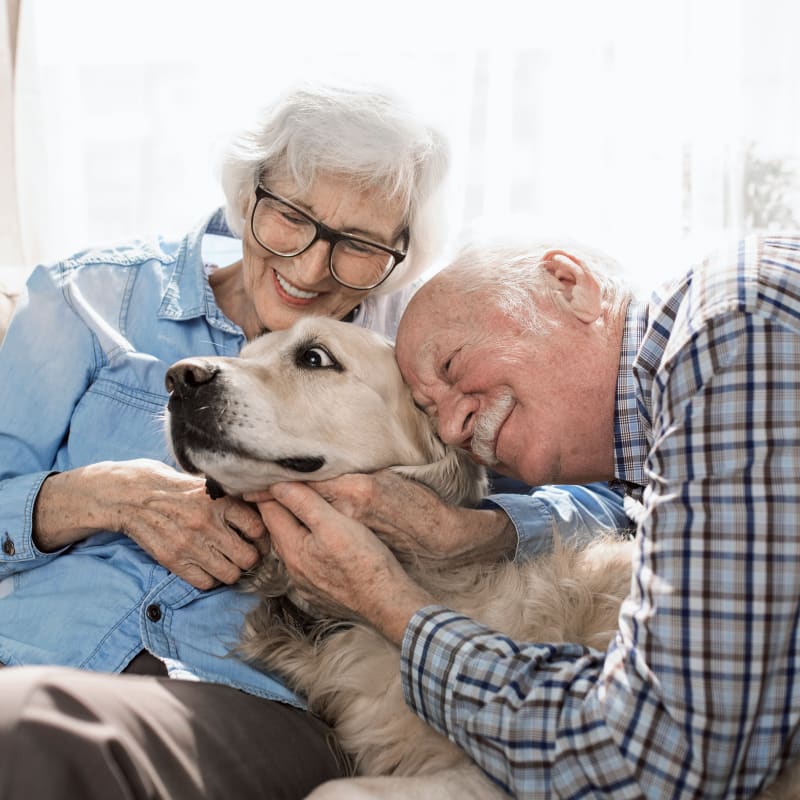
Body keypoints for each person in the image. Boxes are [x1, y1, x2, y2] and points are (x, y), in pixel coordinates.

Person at [0, 81, 459, 799]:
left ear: (399, 255)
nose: (310, 269)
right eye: (290, 219)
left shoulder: (411, 352)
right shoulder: (88, 297)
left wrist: (454, 526)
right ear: (246, 196)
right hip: (23, 649)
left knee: (21, 727)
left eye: (360, 247)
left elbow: (582, 492)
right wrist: (102, 496)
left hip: (238, 692)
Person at [259, 234, 800, 797]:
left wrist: (385, 601)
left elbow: (668, 757)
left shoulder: (732, 329)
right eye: (428, 410)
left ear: (568, 285)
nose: (451, 428)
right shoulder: (669, 451)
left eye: (450, 363)